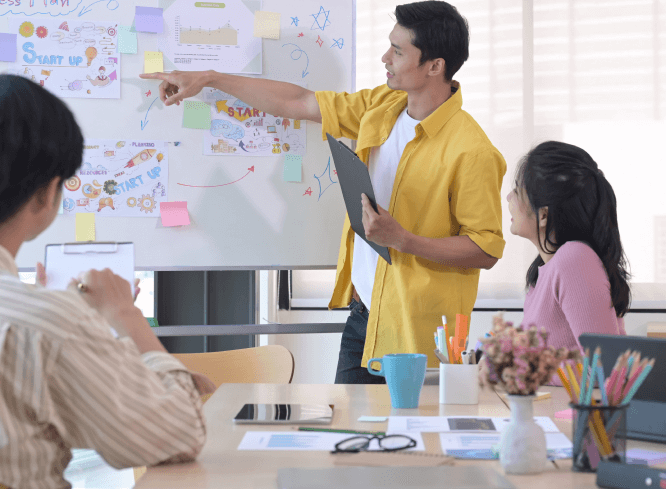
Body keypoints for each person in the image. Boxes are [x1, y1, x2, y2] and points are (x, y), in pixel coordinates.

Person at [140, 0, 506, 384]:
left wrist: (403, 239)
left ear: (435, 66)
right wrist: (209, 78)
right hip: (363, 316)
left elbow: (485, 249)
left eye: (398, 52)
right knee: (346, 423)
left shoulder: (472, 150)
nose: (385, 58)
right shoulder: (382, 106)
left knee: (409, 426)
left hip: (417, 332)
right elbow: (298, 101)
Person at [0, 74, 214, 489]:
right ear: (46, 193)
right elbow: (179, 435)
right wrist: (125, 315)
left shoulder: (44, 320)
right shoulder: (49, 322)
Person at [507, 141, 629, 352]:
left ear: (543, 215)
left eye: (518, 191)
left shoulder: (575, 259)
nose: (509, 197)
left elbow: (602, 364)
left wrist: (516, 365)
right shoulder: (543, 273)